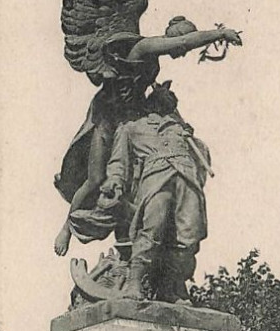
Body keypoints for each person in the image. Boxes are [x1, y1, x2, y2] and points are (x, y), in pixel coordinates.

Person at [53, 19, 242, 256]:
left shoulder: (152, 66)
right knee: (95, 178)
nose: (181, 54)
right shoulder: (144, 48)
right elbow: (185, 41)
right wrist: (220, 33)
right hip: (108, 115)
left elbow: (155, 95)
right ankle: (66, 229)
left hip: (133, 116)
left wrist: (177, 120)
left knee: (136, 176)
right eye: (179, 49)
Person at [99, 81, 212, 301]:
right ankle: (134, 282)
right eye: (164, 94)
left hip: (187, 181)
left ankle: (173, 286)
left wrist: (193, 139)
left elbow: (202, 158)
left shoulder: (182, 130)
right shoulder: (132, 127)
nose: (168, 97)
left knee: (188, 238)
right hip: (156, 180)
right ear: (151, 101)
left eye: (171, 96)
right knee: (152, 229)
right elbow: (118, 162)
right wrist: (114, 180)